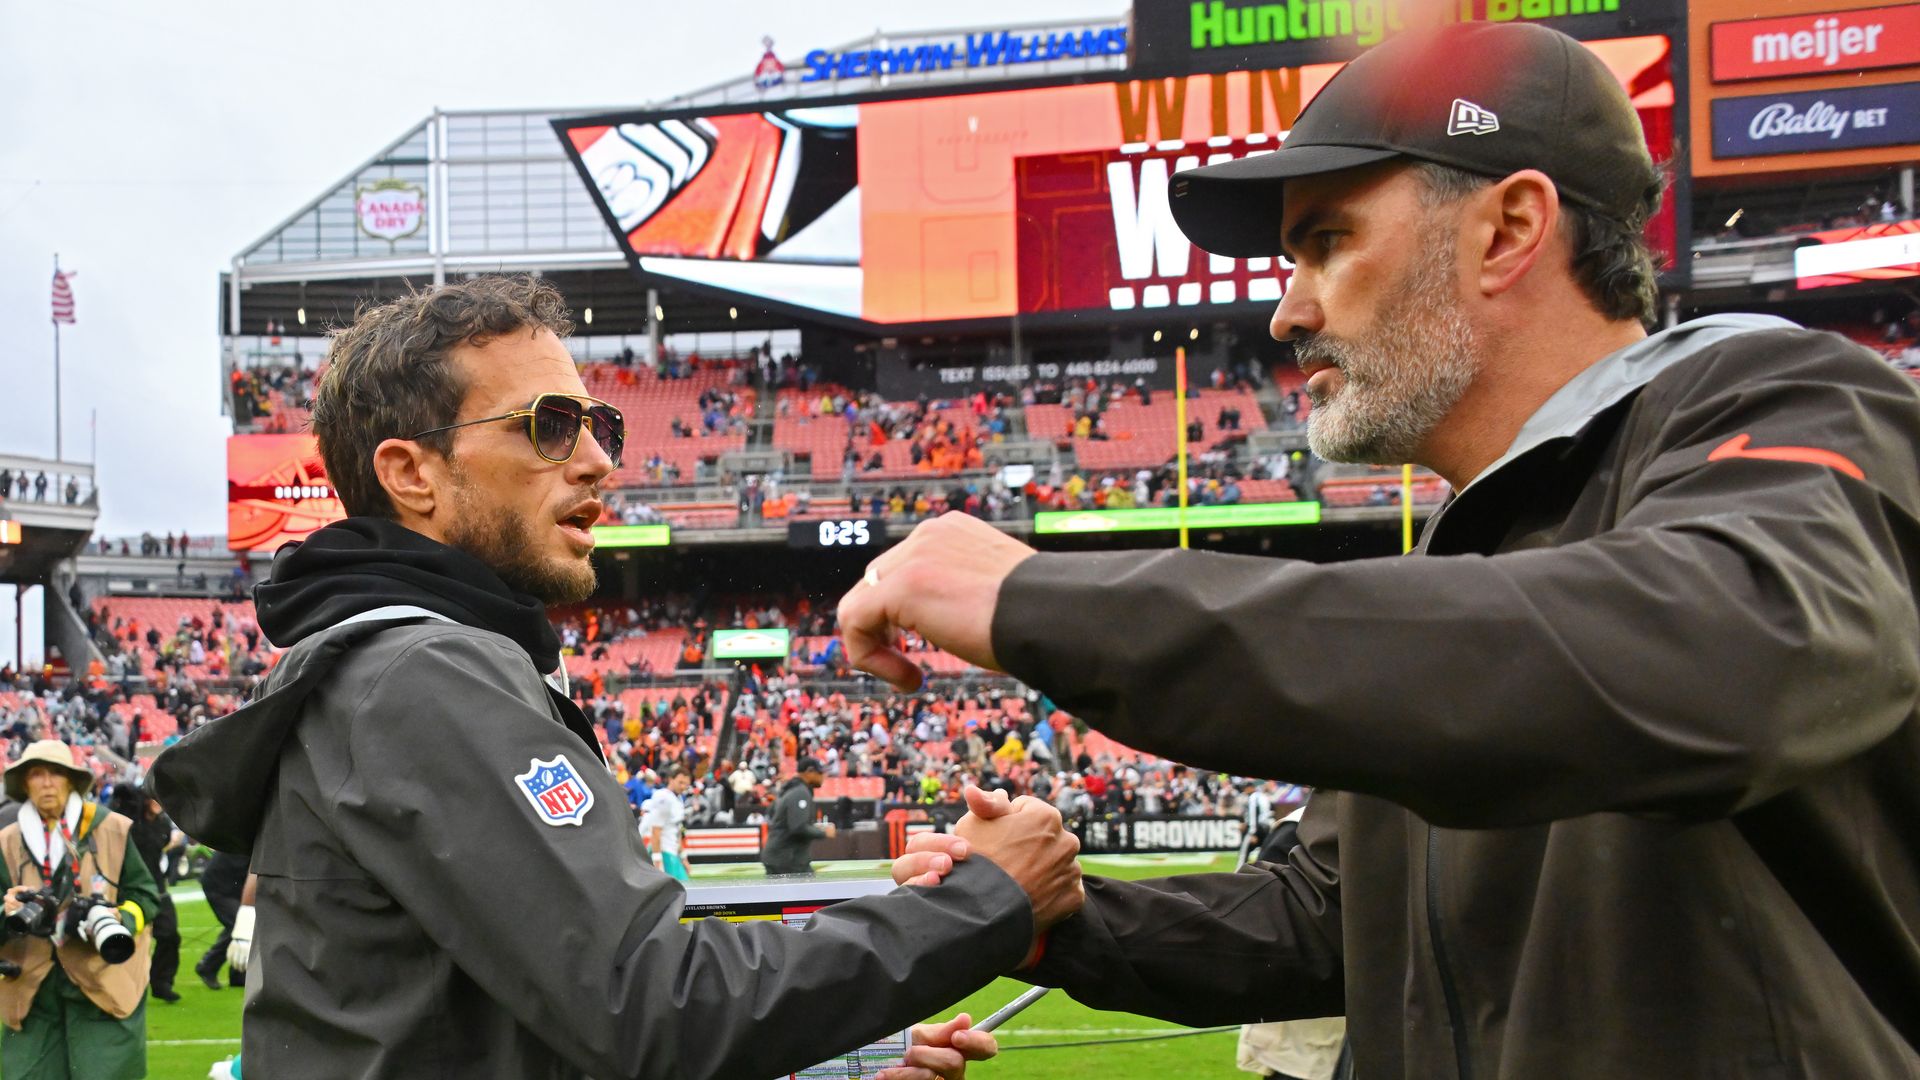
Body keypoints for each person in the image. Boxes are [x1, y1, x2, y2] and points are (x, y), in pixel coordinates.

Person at [855, 23, 1920, 1078]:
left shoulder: (1792, 399)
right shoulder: (1461, 573)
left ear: (1509, 230)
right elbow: (1330, 921)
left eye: (1327, 241)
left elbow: (1722, 652)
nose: (1286, 312)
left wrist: (1048, 603)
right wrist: (1055, 922)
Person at [150, 275, 1083, 1080]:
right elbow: (648, 1007)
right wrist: (983, 898)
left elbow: (533, 1031)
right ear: (412, 474)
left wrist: (851, 1061)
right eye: (550, 426)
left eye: (599, 423)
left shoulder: (419, 660)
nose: (600, 458)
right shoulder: (422, 671)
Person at [0, 741, 159, 1079]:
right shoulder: (7, 842)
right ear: (24, 784)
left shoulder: (112, 828)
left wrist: (119, 919)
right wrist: (8, 911)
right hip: (33, 987)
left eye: (56, 773)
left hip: (103, 978)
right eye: (36, 774)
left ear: (71, 780)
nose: (46, 782)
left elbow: (145, 895)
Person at [115, 783, 184, 1004]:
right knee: (129, 939)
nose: (158, 804)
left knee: (170, 936)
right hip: (132, 890)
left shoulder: (162, 824)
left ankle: (161, 982)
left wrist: (173, 843)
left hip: (158, 888)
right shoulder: (132, 825)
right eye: (153, 799)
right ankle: (125, 986)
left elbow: (166, 846)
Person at [761, 756, 834, 877]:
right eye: (820, 772)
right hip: (787, 859)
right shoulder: (800, 792)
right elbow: (798, 827)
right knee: (812, 892)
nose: (823, 776)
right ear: (809, 771)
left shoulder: (794, 790)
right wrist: (824, 832)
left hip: (784, 857)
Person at [191, 849, 248, 991]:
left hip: (231, 886)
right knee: (238, 926)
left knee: (241, 926)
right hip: (219, 886)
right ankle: (207, 966)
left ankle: (238, 974)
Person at [640, 766, 691, 882]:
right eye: (680, 782)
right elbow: (656, 830)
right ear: (671, 780)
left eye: (686, 783)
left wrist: (683, 857)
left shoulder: (677, 798)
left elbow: (677, 831)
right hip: (664, 852)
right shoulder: (664, 797)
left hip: (671, 852)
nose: (683, 786)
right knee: (682, 891)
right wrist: (657, 860)